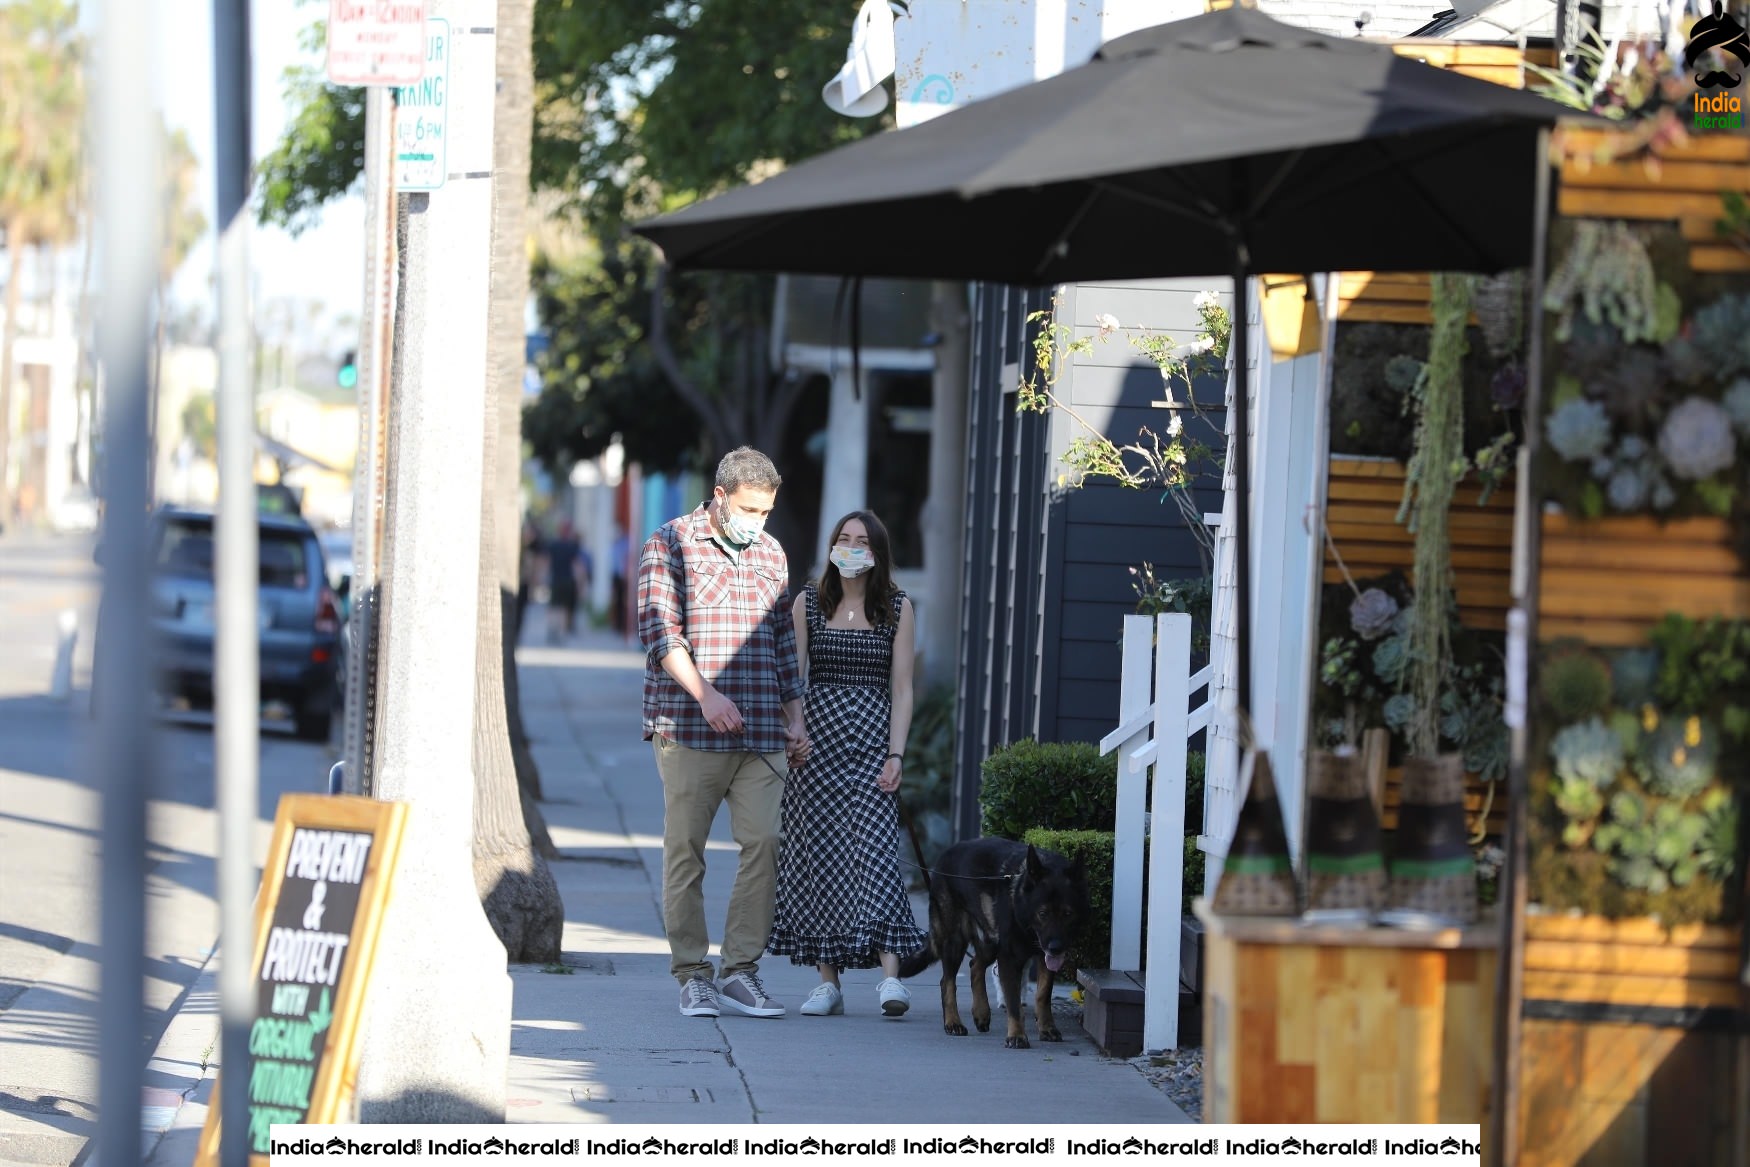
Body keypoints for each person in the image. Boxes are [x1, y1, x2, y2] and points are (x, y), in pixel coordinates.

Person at [639, 447, 807, 1020]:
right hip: (689, 729)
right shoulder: (670, 543)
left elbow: (783, 643)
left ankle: (740, 970)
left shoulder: (771, 553)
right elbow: (661, 635)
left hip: (761, 731)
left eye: (766, 511)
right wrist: (705, 694)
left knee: (765, 842)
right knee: (685, 854)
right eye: (750, 509)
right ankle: (692, 974)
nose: (758, 521)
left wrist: (796, 718)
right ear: (720, 497)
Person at [768, 509, 926, 1018]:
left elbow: (901, 689)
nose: (851, 547)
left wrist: (896, 752)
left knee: (876, 856)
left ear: (877, 552)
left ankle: (890, 980)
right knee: (821, 862)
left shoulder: (898, 607)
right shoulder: (809, 603)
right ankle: (827, 983)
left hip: (872, 747)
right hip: (816, 750)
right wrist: (796, 731)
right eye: (844, 538)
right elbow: (793, 678)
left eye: (862, 541)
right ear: (832, 545)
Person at [546, 519, 585, 642]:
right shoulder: (571, 546)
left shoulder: (553, 545)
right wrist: (580, 583)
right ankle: (561, 632)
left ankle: (552, 630)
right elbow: (577, 566)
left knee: (553, 606)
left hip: (556, 579)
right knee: (563, 608)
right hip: (567, 580)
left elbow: (547, 562)